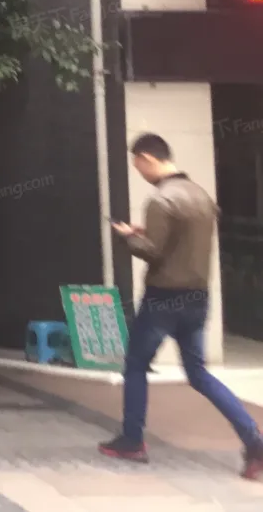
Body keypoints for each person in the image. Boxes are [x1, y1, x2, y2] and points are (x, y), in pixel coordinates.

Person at [99, 133, 263, 480]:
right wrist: (147, 233)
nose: (139, 171)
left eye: (137, 164)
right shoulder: (201, 196)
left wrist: (129, 236)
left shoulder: (161, 200)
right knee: (198, 373)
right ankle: (254, 441)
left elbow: (152, 251)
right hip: (198, 297)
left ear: (146, 158)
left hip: (163, 298)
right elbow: (181, 241)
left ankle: (132, 440)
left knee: (136, 365)